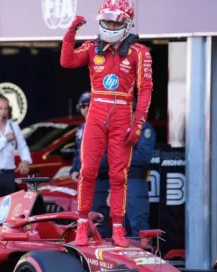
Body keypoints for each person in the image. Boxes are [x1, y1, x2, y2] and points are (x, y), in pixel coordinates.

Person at [60, 0, 153, 247]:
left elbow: (146, 91)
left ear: (127, 23)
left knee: (118, 176)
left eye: (116, 21)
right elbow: (67, 61)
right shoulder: (92, 48)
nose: (111, 25)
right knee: (88, 171)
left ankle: (119, 230)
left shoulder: (139, 52)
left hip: (123, 115)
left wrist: (137, 123)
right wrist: (71, 32)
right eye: (107, 20)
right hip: (97, 114)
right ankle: (82, 226)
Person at [107, 100, 156, 239]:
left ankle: (143, 257)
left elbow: (145, 157)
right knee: (121, 226)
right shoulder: (119, 129)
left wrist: (122, 154)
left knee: (138, 223)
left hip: (135, 182)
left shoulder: (145, 129)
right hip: (119, 181)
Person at [70, 92, 111, 238]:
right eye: (83, 106)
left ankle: (102, 256)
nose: (86, 108)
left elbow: (111, 156)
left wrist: (91, 164)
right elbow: (78, 152)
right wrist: (74, 170)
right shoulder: (81, 129)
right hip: (85, 180)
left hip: (100, 180)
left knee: (98, 219)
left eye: (89, 105)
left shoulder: (104, 125)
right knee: (84, 218)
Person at [0, 95, 32, 199]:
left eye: (6, 109)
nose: (3, 112)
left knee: (8, 206)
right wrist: (5, 139)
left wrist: (26, 160)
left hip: (8, 174)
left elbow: (22, 146)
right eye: (0, 108)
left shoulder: (13, 126)